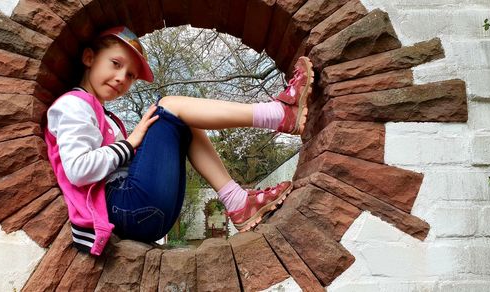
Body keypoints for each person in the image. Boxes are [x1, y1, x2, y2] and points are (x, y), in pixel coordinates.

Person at [44, 26, 314, 256]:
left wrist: (133, 144)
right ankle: (279, 114)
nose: (121, 78)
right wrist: (130, 144)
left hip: (139, 213)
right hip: (123, 209)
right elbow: (77, 171)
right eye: (116, 64)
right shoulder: (73, 105)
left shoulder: (99, 112)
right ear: (89, 57)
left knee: (183, 117)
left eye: (130, 76)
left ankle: (237, 202)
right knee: (168, 106)